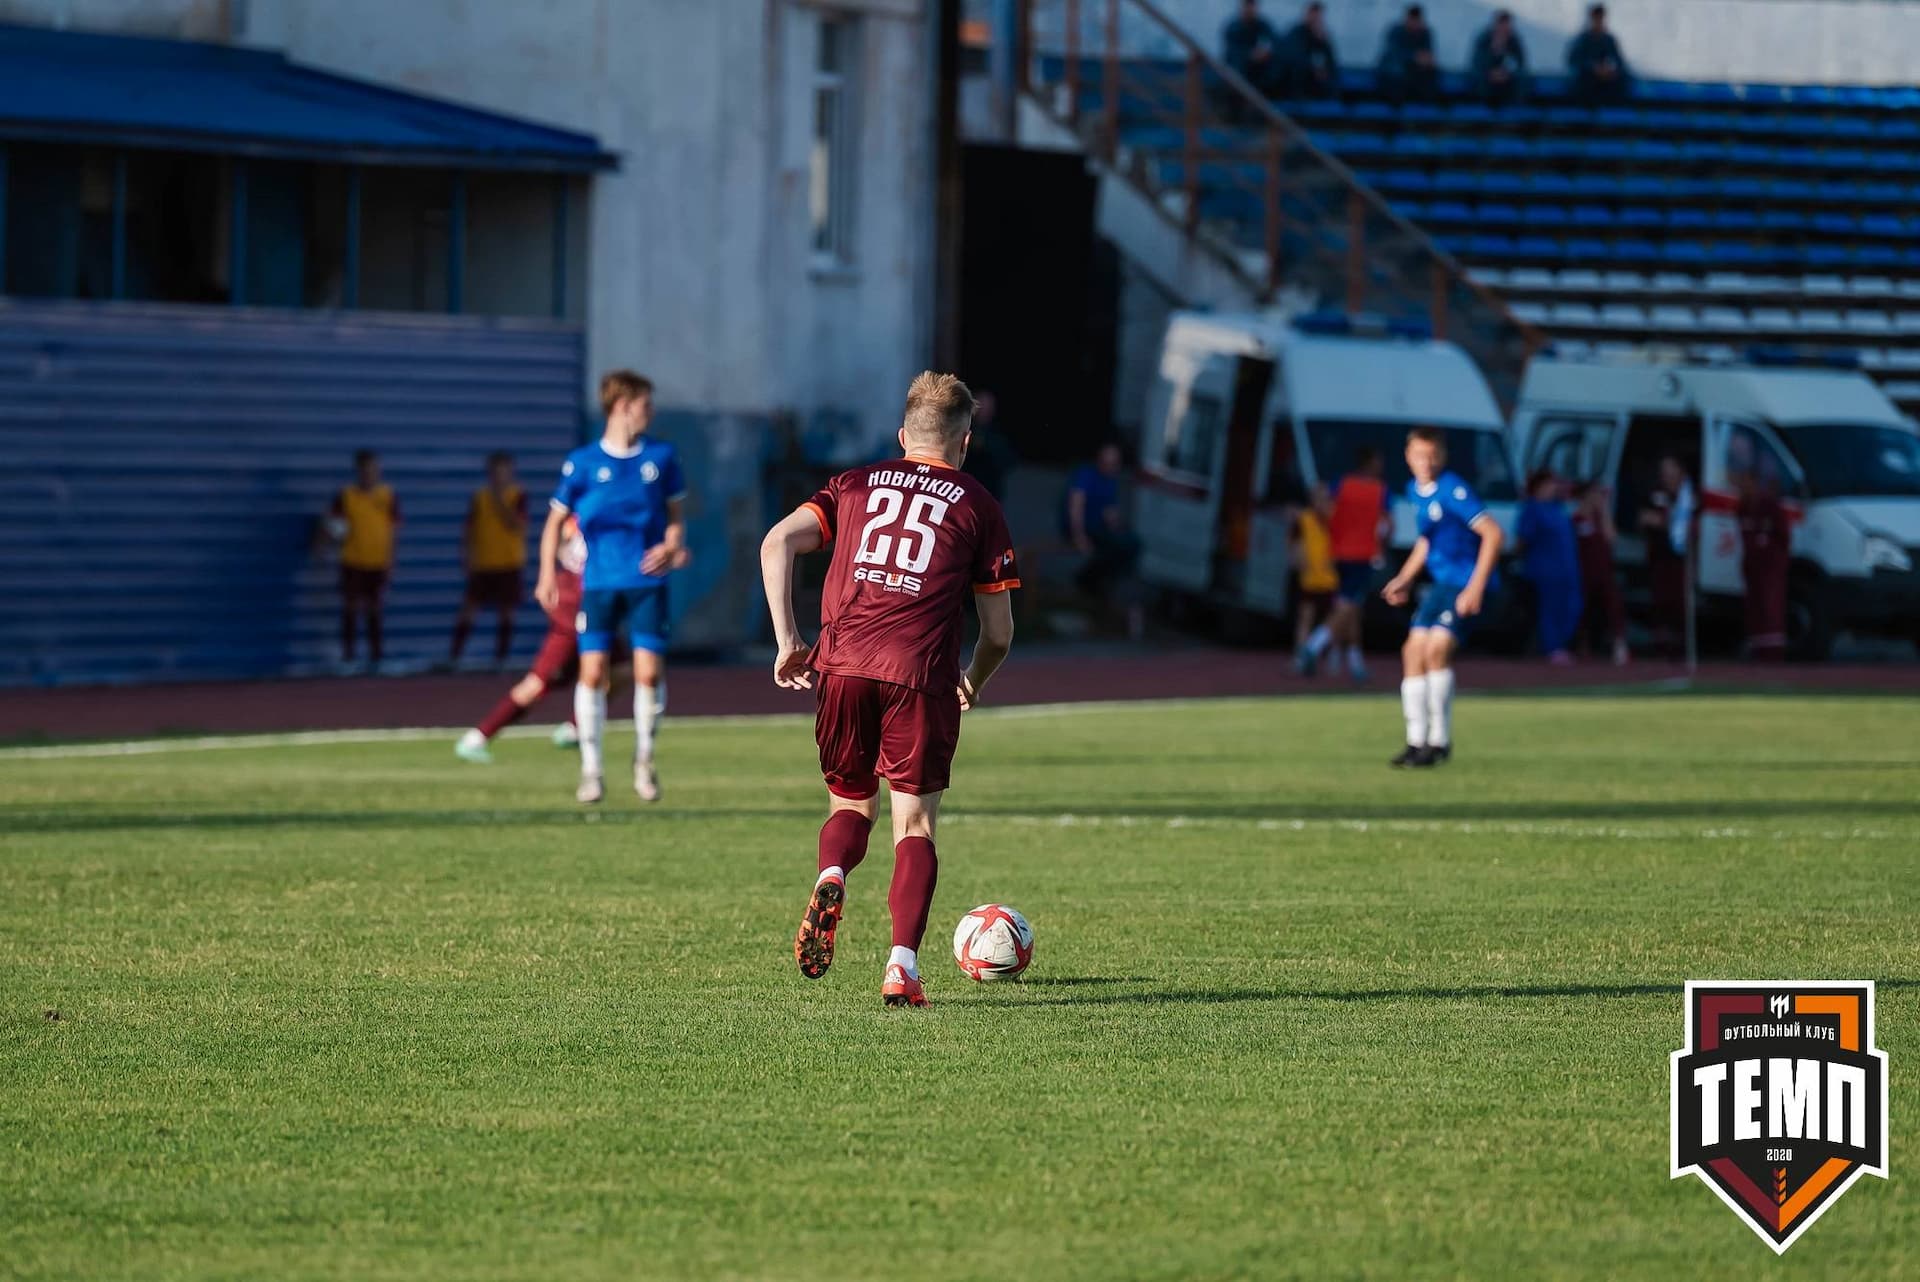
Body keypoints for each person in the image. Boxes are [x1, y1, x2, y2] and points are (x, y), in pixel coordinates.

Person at [759, 371, 1019, 1009]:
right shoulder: (978, 505)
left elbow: (776, 543)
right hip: (919, 674)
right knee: (916, 824)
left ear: (903, 435)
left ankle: (831, 873)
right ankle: (901, 966)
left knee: (850, 808)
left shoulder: (851, 485)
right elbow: (998, 633)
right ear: (963, 444)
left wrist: (788, 638)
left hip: (842, 663)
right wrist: (973, 681)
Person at [536, 370, 689, 805]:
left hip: (646, 580)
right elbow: (553, 523)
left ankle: (644, 760)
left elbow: (676, 519)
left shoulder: (661, 457)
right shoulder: (582, 463)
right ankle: (592, 770)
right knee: (593, 672)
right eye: (645, 404)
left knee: (647, 672)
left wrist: (671, 544)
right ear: (622, 406)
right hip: (599, 582)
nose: (651, 412)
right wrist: (547, 573)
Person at [455, 517, 629, 763]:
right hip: (575, 611)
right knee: (536, 684)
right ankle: (478, 737)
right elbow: (558, 538)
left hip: (597, 608)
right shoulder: (583, 513)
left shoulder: (609, 512)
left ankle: (574, 729)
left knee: (622, 672)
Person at [1381, 427, 1505, 767]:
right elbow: (1427, 541)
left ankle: (1439, 740)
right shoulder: (1416, 490)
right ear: (1408, 457)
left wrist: (1476, 587)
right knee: (1412, 651)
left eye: (1432, 455)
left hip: (1464, 583)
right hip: (1440, 584)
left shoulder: (1454, 490)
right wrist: (1405, 578)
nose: (1426, 462)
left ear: (1443, 455)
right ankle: (1415, 740)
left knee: (1436, 649)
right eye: (1419, 455)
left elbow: (1494, 534)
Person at [1305, 445, 1391, 682]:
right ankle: (1314, 646)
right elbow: (1388, 526)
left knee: (1351, 608)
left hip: (1339, 553)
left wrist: (1332, 531)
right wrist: (1381, 544)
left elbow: (1323, 509)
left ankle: (1353, 662)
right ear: (1370, 462)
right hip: (1362, 554)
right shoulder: (1379, 490)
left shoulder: (1342, 485)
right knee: (1349, 607)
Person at [450, 451, 528, 667]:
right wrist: (466, 555)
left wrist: (500, 501)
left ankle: (500, 658)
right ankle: (454, 656)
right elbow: (469, 529)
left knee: (506, 612)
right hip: (483, 563)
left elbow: (517, 525)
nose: (499, 478)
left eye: (504, 473)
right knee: (469, 610)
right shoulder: (480, 497)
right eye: (495, 473)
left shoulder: (517, 496)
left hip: (508, 563)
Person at [327, 449, 399, 669]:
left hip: (377, 562)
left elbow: (393, 529)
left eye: (374, 470)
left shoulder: (387, 496)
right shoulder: (346, 495)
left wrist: (390, 560)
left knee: (375, 609)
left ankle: (376, 657)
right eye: (366, 470)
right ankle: (348, 657)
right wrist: (333, 536)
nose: (370, 474)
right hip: (352, 560)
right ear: (358, 471)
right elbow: (334, 526)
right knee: (351, 607)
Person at [1516, 469, 1582, 665]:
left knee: (1572, 606)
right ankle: (1552, 648)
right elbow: (1522, 539)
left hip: (1567, 569)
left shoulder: (1558, 508)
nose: (1555, 487)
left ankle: (1561, 645)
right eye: (1551, 483)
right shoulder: (1532, 509)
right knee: (1550, 610)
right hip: (1546, 570)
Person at [1637, 455, 1694, 659]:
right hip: (1659, 556)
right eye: (1664, 471)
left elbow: (1684, 525)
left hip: (1680, 558)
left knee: (1680, 603)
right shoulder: (1655, 494)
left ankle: (1681, 648)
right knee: (1660, 602)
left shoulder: (1688, 496)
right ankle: (1661, 648)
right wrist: (1660, 522)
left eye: (1671, 470)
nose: (1667, 475)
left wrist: (1664, 522)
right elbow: (1644, 519)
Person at [1737, 462, 1792, 662]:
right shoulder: (1743, 507)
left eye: (1745, 482)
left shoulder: (1770, 507)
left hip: (1770, 567)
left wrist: (1772, 556)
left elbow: (1784, 537)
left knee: (1771, 608)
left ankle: (1773, 654)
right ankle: (1758, 651)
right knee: (1754, 608)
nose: (1742, 487)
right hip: (1752, 566)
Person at [1572, 480, 1630, 665]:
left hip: (1604, 572)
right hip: (1583, 572)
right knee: (1583, 610)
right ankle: (1582, 644)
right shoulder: (1576, 519)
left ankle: (1619, 645)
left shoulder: (1600, 517)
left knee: (1613, 606)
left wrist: (1603, 511)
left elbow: (1612, 537)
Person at [1291, 497, 1338, 676]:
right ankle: (1300, 658)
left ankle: (1329, 658)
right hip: (1310, 579)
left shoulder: (1335, 520)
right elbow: (1295, 542)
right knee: (1305, 618)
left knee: (1333, 621)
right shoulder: (1305, 520)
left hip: (1330, 580)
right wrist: (1296, 559)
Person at [961, 388, 1018, 504]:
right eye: (981, 406)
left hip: (989, 492)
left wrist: (987, 446)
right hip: (964, 492)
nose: (985, 410)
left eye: (988, 406)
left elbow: (1009, 461)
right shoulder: (962, 428)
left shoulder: (998, 433)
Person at [1566, 4, 1631, 105]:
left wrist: (1611, 70)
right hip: (1586, 81)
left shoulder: (1608, 39)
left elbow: (1619, 61)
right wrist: (1593, 67)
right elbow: (1572, 60)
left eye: (1601, 18)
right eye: (1596, 18)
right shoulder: (1583, 39)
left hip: (1605, 81)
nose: (1599, 21)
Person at [1375, 4, 1439, 105]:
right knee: (1396, 73)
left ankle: (1426, 105)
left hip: (1414, 75)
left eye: (1417, 21)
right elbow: (1394, 54)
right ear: (1407, 18)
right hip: (1393, 77)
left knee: (1433, 73)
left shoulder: (1425, 33)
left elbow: (1428, 53)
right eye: (1413, 20)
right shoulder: (1396, 31)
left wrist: (1427, 60)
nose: (1415, 24)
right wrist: (1414, 57)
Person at [1222, 0, 1285, 98]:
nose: (1250, 9)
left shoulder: (1263, 25)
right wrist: (1250, 54)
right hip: (1241, 70)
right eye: (1247, 6)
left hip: (1259, 70)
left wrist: (1267, 52)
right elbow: (1232, 52)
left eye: (1252, 6)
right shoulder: (1233, 27)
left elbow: (1276, 43)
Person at [1277, 2, 1338, 100]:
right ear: (1307, 14)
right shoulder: (1295, 33)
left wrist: (1322, 43)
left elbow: (1331, 63)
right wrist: (1312, 68)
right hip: (1296, 86)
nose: (1316, 18)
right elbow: (1293, 58)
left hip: (1318, 86)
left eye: (1318, 15)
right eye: (1313, 14)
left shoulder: (1323, 38)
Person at [1470, 9, 1528, 106]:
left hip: (1508, 81)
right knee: (1479, 80)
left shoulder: (1514, 41)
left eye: (1507, 24)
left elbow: (1520, 62)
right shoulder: (1484, 39)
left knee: (1522, 80)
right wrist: (1492, 58)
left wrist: (1506, 73)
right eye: (1501, 24)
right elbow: (1477, 62)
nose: (1504, 28)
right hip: (1487, 81)